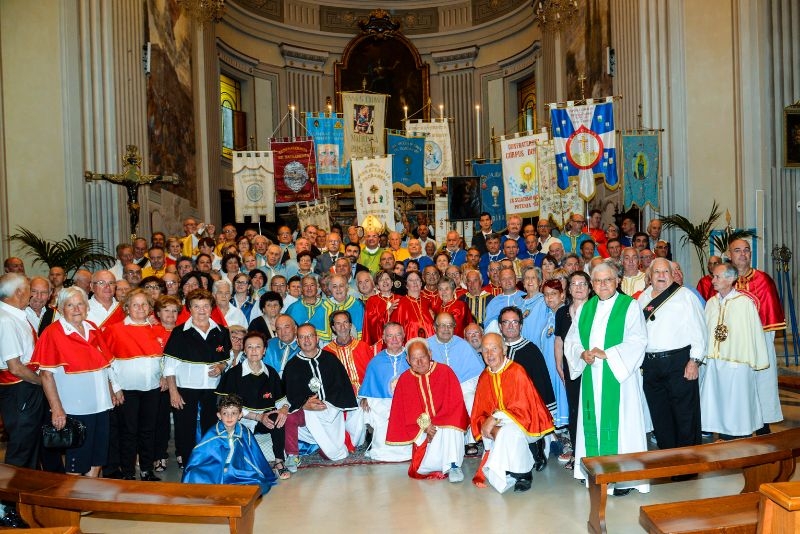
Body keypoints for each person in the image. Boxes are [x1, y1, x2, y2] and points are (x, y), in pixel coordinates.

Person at [564, 261, 649, 495]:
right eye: (598, 281)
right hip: (592, 375)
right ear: (592, 284)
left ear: (618, 281)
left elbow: (638, 340)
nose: (603, 285)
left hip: (619, 378)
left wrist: (609, 354)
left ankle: (623, 477)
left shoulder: (629, 306)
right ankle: (594, 470)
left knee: (621, 425)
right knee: (592, 423)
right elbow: (572, 341)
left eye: (608, 280)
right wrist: (582, 353)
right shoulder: (585, 309)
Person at [32, 286, 121, 477]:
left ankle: (89, 502)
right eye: (70, 305)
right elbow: (46, 375)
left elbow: (103, 365)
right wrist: (56, 409)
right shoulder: (53, 333)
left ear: (86, 307)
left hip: (101, 405)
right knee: (76, 463)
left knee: (97, 459)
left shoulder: (92, 328)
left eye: (80, 304)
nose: (76, 309)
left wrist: (112, 390)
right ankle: (74, 503)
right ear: (61, 308)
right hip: (75, 409)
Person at [637, 258, 707, 452]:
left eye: (665, 272)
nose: (661, 276)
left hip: (679, 362)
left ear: (672, 274)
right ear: (649, 276)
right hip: (651, 365)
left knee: (685, 414)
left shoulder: (685, 296)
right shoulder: (642, 299)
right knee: (660, 415)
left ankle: (688, 461)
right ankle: (668, 458)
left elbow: (700, 331)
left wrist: (694, 360)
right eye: (657, 272)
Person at [471, 333, 555, 493]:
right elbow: (479, 412)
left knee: (508, 432)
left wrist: (495, 418)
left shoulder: (516, 371)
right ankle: (510, 465)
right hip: (499, 425)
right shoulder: (484, 377)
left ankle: (523, 473)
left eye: (494, 349)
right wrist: (489, 425)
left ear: (504, 349)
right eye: (485, 350)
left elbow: (525, 408)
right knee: (503, 432)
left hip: (528, 423)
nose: (489, 354)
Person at [163, 288, 232, 468]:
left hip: (212, 389)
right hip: (185, 388)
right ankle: (188, 463)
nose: (201, 310)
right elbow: (169, 365)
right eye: (196, 306)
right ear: (189, 309)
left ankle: (210, 462)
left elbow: (228, 357)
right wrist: (173, 392)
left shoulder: (222, 332)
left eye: (205, 306)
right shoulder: (179, 332)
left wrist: (221, 366)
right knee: (185, 428)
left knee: (212, 427)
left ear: (211, 308)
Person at [700, 263, 768, 439]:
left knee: (737, 403)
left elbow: (754, 333)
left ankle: (738, 436)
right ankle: (721, 434)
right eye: (713, 276)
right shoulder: (711, 302)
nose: (713, 280)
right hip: (715, 361)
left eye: (717, 277)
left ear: (730, 279)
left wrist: (755, 359)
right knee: (717, 401)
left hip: (737, 362)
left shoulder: (744, 303)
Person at [386, 339, 470, 482]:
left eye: (422, 357)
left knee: (451, 426)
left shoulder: (445, 371)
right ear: (407, 360)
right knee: (421, 468)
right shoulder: (405, 379)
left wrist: (437, 424)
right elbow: (404, 411)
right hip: (421, 429)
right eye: (414, 358)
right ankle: (438, 463)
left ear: (430, 354)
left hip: (444, 424)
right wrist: (425, 426)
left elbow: (455, 405)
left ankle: (453, 465)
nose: (419, 362)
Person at [103, 288, 165, 481]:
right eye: (135, 304)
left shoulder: (158, 329)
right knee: (128, 432)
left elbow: (163, 359)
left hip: (152, 388)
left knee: (148, 430)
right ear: (127, 308)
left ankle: (146, 470)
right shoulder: (115, 330)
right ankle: (128, 472)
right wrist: (115, 388)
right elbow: (107, 362)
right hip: (127, 389)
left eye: (144, 304)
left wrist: (163, 375)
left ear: (150, 308)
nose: (140, 308)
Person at [282, 324, 361, 471]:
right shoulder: (292, 365)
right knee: (290, 418)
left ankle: (327, 445)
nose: (306, 340)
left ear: (317, 338)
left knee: (331, 454)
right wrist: (304, 404)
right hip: (306, 411)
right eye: (302, 337)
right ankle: (292, 455)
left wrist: (328, 404)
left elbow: (341, 387)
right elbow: (290, 394)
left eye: (310, 336)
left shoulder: (330, 359)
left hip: (331, 411)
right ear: (297, 341)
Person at [728, 238, 785, 434]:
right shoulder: (723, 280)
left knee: (762, 386)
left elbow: (771, 321)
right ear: (729, 255)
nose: (743, 254)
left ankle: (763, 428)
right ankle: (736, 429)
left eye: (746, 250)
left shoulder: (763, 280)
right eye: (737, 250)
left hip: (759, 343)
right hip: (732, 348)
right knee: (735, 390)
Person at [0, 274, 44, 527]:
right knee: (20, 451)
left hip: (26, 389)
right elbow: (15, 367)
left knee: (29, 450)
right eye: (28, 290)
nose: (31, 295)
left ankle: (22, 501)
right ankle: (6, 508)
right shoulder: (6, 320)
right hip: (20, 390)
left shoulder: (17, 315)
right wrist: (44, 383)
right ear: (17, 292)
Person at [217, 332, 291, 479]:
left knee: (278, 418)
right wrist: (257, 416)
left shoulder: (271, 372)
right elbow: (226, 406)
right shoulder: (233, 374)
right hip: (242, 419)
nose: (254, 351)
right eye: (249, 347)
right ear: (244, 350)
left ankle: (279, 462)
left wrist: (283, 409)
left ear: (264, 351)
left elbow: (282, 400)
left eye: (258, 347)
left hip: (266, 419)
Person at [181, 394, 277, 494]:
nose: (229, 417)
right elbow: (200, 456)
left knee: (258, 485)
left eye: (234, 413)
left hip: (238, 471)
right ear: (219, 415)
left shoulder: (244, 432)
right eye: (225, 413)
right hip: (216, 470)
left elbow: (255, 457)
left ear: (240, 415)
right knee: (194, 475)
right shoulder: (213, 433)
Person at [554, 270, 593, 469]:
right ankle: (577, 454)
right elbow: (559, 340)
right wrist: (559, 365)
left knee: (591, 409)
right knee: (574, 409)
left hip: (592, 366)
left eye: (583, 283)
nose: (578, 287)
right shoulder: (562, 312)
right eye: (574, 284)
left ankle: (592, 454)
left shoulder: (595, 309)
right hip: (570, 368)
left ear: (589, 287)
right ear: (568, 289)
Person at [359, 323, 412, 462]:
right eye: (390, 335)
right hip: (383, 404)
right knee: (375, 414)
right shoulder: (376, 362)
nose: (394, 339)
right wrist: (365, 397)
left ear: (404, 336)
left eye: (398, 335)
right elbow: (369, 386)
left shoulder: (412, 357)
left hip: (409, 404)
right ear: (383, 337)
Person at [152, 294, 180, 473]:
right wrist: (162, 377)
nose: (170, 314)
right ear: (157, 313)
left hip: (181, 383)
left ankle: (182, 453)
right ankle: (159, 455)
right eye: (166, 310)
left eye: (174, 310)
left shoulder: (183, 331)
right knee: (159, 421)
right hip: (159, 383)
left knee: (182, 421)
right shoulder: (151, 331)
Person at [324, 310, 373, 395]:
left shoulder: (363, 347)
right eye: (338, 323)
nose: (343, 327)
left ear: (350, 325)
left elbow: (373, 375)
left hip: (364, 395)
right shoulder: (326, 352)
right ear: (333, 328)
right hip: (338, 397)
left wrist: (367, 395)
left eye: (345, 322)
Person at [391, 270, 435, 340]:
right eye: (411, 280)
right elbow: (395, 331)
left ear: (421, 283)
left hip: (431, 345)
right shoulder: (400, 304)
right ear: (406, 285)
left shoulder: (427, 302)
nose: (415, 282)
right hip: (410, 346)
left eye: (417, 279)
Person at [363, 270, 401, 346]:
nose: (385, 282)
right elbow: (371, 323)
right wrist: (388, 312)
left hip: (399, 341)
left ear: (392, 283)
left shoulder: (400, 299)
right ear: (377, 286)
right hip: (380, 342)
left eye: (387, 279)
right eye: (381, 280)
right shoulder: (372, 301)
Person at [483, 267, 525, 333]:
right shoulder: (494, 302)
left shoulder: (526, 298)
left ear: (516, 280)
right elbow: (488, 327)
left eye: (510, 278)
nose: (507, 281)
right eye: (503, 279)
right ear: (499, 282)